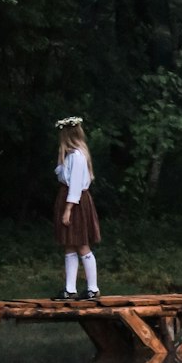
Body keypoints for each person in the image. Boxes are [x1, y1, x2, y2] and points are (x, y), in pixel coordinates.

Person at [54, 114, 101, 300]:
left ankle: (93, 287)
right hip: (69, 198)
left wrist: (68, 210)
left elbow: (74, 184)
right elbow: (60, 175)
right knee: (69, 245)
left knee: (81, 243)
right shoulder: (70, 156)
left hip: (76, 202)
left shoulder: (78, 157)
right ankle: (70, 288)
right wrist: (60, 157)